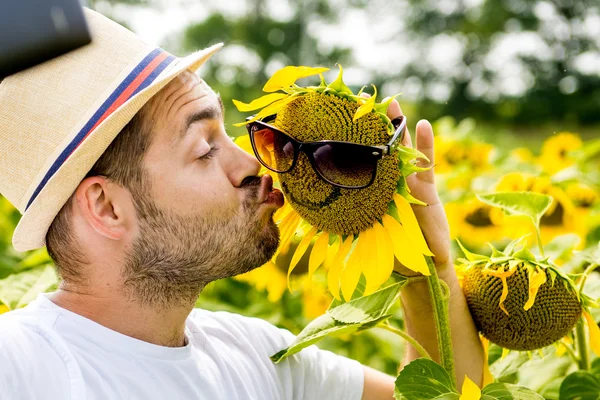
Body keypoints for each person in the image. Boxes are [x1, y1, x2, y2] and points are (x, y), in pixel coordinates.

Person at [0, 8, 483, 400]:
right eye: (205, 148)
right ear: (106, 207)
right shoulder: (20, 368)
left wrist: (424, 267)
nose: (253, 163)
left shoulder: (257, 355)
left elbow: (440, 394)